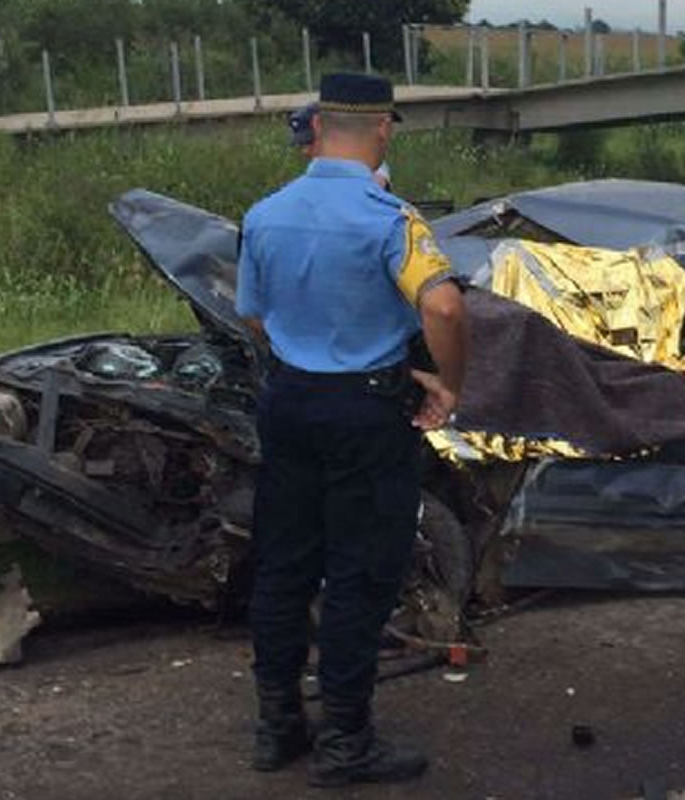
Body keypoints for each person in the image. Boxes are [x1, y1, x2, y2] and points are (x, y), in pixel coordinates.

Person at [238, 73, 466, 788]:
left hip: (290, 402)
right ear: (382, 129)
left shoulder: (265, 214)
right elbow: (447, 309)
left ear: (318, 127)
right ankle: (346, 742)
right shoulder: (390, 218)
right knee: (360, 576)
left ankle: (278, 728)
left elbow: (253, 314)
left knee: (282, 568)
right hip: (365, 414)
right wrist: (448, 384)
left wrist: (303, 356)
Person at [290, 101, 392, 189]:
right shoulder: (313, 173)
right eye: (301, 145)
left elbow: (376, 185)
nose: (305, 151)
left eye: (310, 142)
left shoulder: (365, 161)